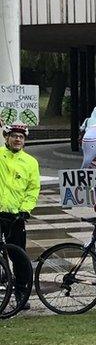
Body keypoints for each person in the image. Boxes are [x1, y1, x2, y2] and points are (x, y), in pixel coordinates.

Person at [0, 124, 40, 309]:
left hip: (16, 215)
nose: (17, 139)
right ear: (6, 137)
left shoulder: (30, 162)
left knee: (18, 255)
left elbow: (33, 189)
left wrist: (26, 209)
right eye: (14, 136)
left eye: (21, 137)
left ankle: (21, 292)